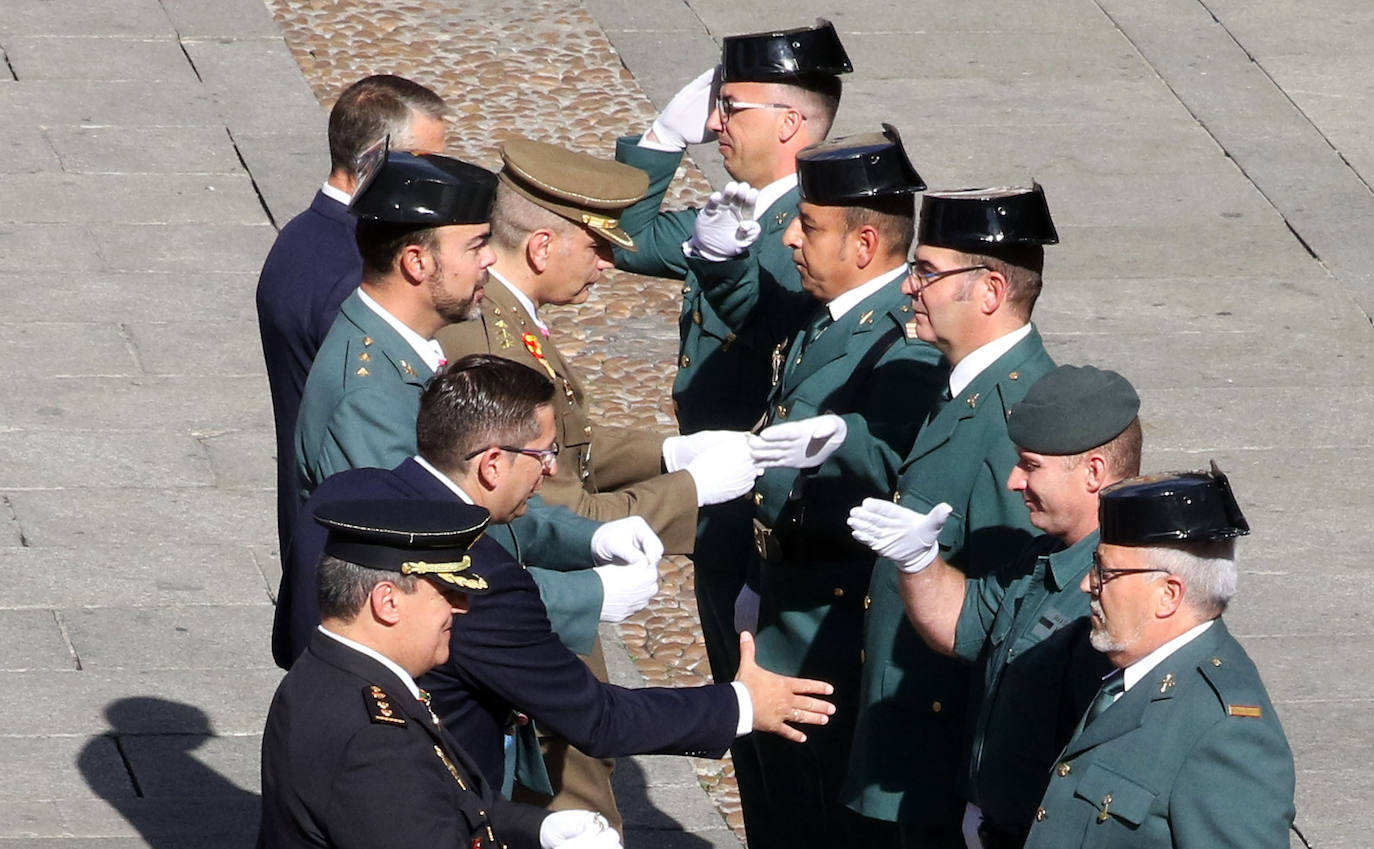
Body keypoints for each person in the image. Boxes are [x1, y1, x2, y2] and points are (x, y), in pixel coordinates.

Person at [284, 355, 836, 832]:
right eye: (544, 455)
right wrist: (740, 704)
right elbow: (597, 717)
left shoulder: (355, 497)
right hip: (422, 795)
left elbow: (502, 524)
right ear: (493, 463)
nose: (550, 472)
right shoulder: (482, 580)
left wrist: (592, 536)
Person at [613, 21, 852, 710]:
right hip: (716, 505)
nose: (716, 122)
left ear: (788, 122)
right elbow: (624, 235)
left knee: (775, 739)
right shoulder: (734, 212)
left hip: (762, 521)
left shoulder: (815, 238)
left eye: (732, 107)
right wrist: (661, 136)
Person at [722, 126, 945, 849]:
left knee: (818, 812)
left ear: (864, 244)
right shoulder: (830, 319)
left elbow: (899, 463)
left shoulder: (901, 340)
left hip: (832, 617)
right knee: (775, 796)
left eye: (809, 226)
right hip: (785, 595)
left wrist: (846, 440)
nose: (788, 238)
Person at [842, 185, 1062, 847]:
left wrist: (986, 791)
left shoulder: (1011, 426)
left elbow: (1015, 627)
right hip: (912, 744)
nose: (909, 286)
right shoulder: (965, 384)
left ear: (990, 291)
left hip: (943, 769)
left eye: (928, 272)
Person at [850, 365, 1141, 848]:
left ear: (1093, 471)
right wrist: (919, 561)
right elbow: (961, 622)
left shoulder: (1127, 593)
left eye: (1030, 465)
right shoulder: (1043, 556)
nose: (1012, 480)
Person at [436, 137, 758, 556]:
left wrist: (668, 454)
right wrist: (691, 490)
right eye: (597, 246)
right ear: (541, 247)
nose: (607, 262)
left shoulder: (505, 313)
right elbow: (564, 515)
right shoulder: (499, 352)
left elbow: (570, 440)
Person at [258, 498, 619, 849]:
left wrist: (539, 829)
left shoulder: (333, 671)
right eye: (448, 592)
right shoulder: (374, 742)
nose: (461, 608)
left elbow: (456, 803)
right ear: (388, 602)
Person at [1023, 465, 1295, 848]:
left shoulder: (1225, 733)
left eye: (1105, 571)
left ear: (1167, 594)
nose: (1088, 584)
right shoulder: (1130, 677)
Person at [256, 75, 446, 555]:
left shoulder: (303, 236)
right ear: (375, 160)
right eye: (427, 163)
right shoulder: (353, 271)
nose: (438, 179)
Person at [293, 147, 496, 499]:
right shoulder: (368, 398)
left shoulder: (407, 344)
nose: (490, 258)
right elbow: (419, 527)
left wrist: (592, 537)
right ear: (416, 263)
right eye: (475, 246)